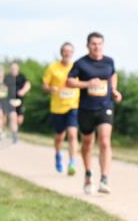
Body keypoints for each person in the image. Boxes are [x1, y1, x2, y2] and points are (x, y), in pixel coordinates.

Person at [66, 32, 121, 194]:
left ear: (103, 45)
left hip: (105, 106)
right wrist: (87, 83)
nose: (97, 47)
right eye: (93, 44)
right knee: (88, 142)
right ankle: (88, 174)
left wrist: (114, 90)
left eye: (99, 43)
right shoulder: (81, 63)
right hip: (86, 108)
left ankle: (104, 178)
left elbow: (113, 74)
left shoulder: (109, 61)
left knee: (104, 141)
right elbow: (69, 81)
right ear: (88, 45)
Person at [42, 43, 80, 175]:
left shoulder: (76, 67)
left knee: (72, 134)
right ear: (61, 52)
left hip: (73, 105)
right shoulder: (53, 68)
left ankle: (72, 162)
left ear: (73, 53)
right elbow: (45, 85)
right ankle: (58, 155)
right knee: (60, 136)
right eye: (65, 51)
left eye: (70, 51)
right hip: (57, 107)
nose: (67, 53)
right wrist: (50, 88)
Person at [3, 62, 30, 144]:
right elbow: (3, 86)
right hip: (10, 100)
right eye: (12, 68)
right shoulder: (7, 77)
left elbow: (28, 84)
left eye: (15, 68)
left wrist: (23, 91)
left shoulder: (22, 77)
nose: (13, 69)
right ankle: (14, 135)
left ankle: (16, 130)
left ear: (18, 68)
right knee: (13, 117)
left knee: (19, 120)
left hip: (19, 101)